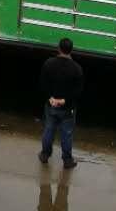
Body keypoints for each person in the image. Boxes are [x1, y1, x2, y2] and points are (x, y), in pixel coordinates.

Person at [38, 38, 83, 169]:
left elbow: (43, 84)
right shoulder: (77, 69)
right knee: (67, 134)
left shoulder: (48, 64)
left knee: (48, 130)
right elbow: (78, 91)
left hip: (51, 105)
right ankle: (67, 160)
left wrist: (50, 98)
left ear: (58, 48)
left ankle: (45, 155)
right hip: (68, 108)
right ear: (71, 50)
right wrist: (64, 101)